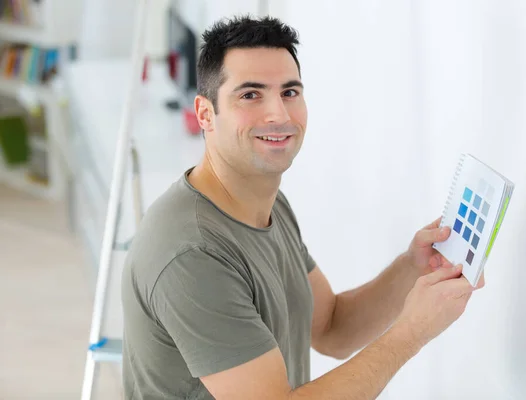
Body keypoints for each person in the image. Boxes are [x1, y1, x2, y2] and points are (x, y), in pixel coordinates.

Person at [121, 15, 484, 399]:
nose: (278, 114)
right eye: (250, 95)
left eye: (290, 92)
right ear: (206, 114)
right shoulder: (192, 253)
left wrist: (413, 267)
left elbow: (331, 328)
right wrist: (413, 331)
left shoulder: (268, 204)